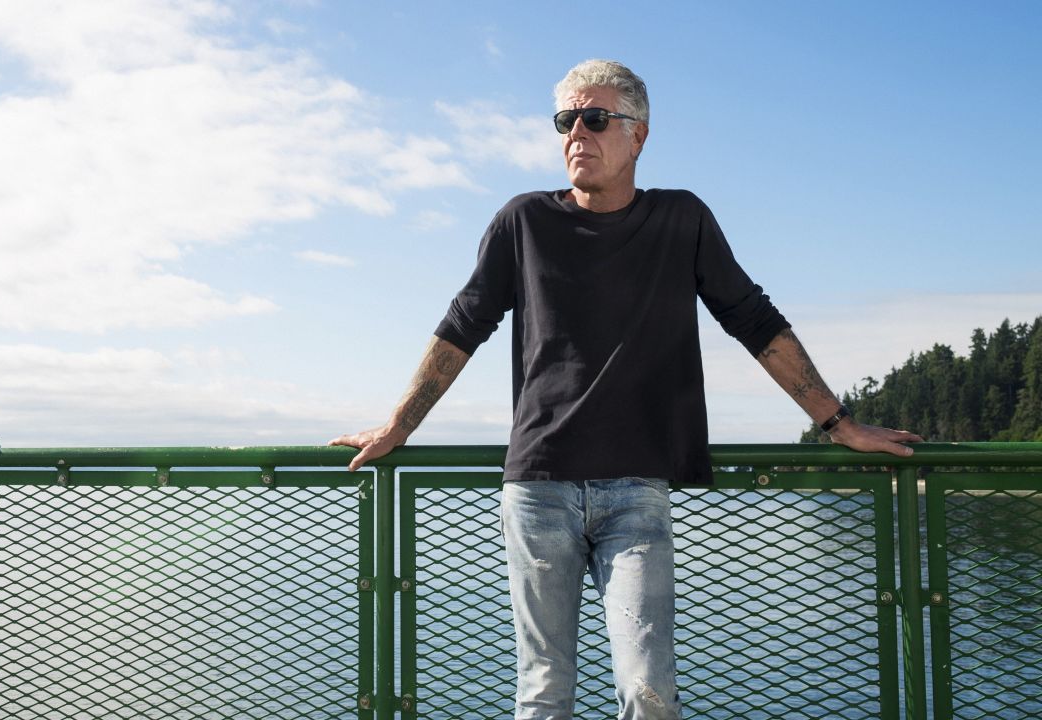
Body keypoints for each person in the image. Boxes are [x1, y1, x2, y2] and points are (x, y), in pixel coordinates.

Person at [330, 59, 921, 720]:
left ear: (638, 135)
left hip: (636, 493)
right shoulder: (521, 222)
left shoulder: (681, 219)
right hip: (538, 490)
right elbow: (462, 327)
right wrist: (399, 425)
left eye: (596, 118)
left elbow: (754, 320)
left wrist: (838, 422)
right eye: (566, 120)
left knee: (649, 693)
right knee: (542, 691)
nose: (577, 133)